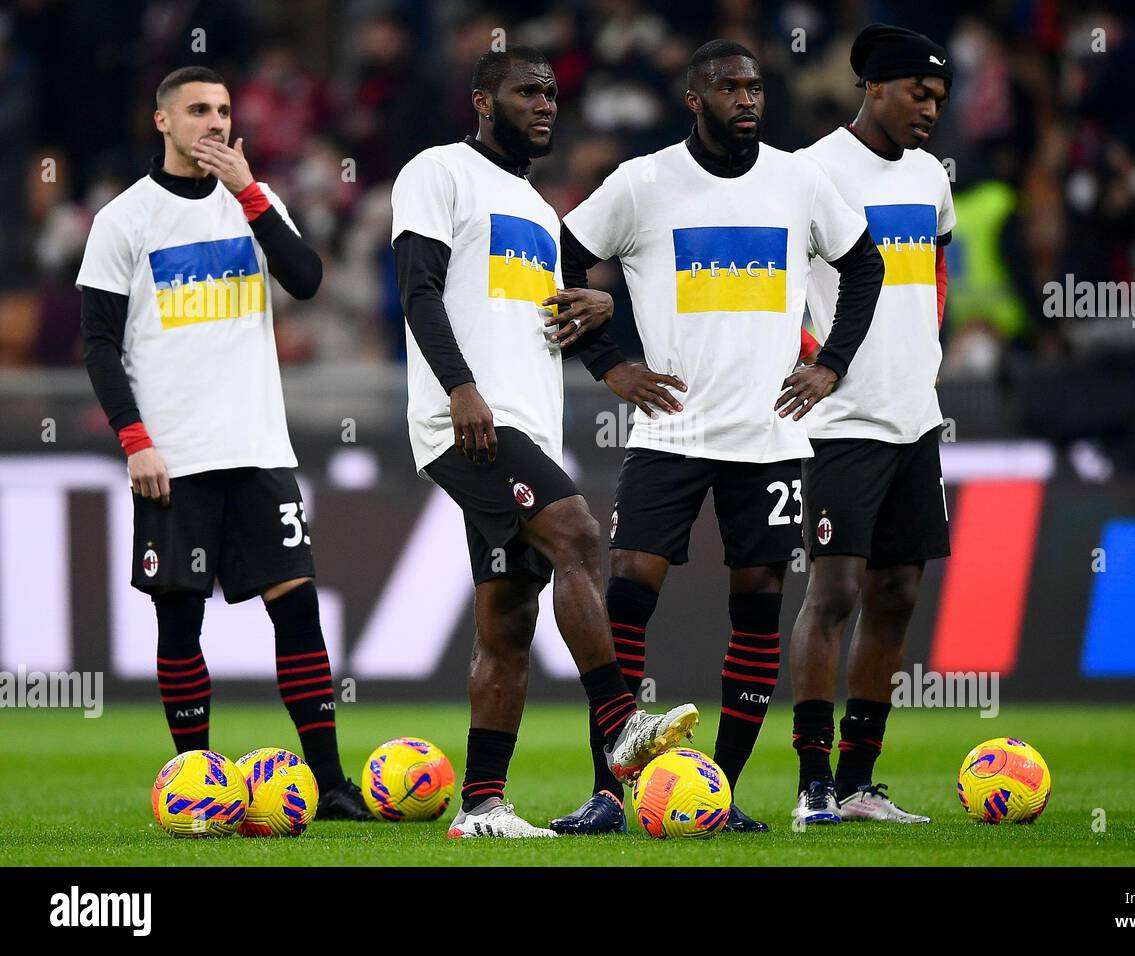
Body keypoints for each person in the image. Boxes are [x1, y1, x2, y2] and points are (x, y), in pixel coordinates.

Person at [551, 40, 885, 835]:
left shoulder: (798, 180)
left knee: (759, 610)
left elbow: (864, 264)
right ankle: (610, 788)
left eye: (756, 88)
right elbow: (560, 255)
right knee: (628, 596)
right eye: (729, 88)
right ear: (693, 99)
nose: (748, 100)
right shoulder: (642, 182)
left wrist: (831, 364)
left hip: (768, 438)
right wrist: (609, 364)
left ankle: (716, 792)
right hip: (669, 433)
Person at [390, 47, 699, 839]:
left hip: (524, 421)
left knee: (506, 620)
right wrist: (462, 389)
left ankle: (482, 805)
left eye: (552, 94)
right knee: (578, 532)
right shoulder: (437, 172)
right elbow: (418, 289)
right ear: (482, 103)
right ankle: (623, 720)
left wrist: (600, 320)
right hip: (467, 420)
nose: (545, 104)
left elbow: (560, 310)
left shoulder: (534, 208)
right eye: (527, 91)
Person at [76, 66, 369, 821]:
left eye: (224, 110)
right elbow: (100, 344)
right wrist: (135, 440)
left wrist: (249, 193)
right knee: (181, 620)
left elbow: (305, 278)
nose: (213, 122)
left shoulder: (255, 202)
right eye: (197, 110)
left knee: (297, 610)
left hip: (259, 449)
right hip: (173, 457)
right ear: (163, 122)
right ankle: (195, 784)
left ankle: (331, 785)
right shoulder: (124, 220)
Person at [788, 24, 955, 827]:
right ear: (875, 88)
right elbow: (779, 285)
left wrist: (926, 355)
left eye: (939, 99)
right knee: (835, 591)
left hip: (914, 416)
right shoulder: (812, 172)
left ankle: (858, 781)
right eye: (918, 94)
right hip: (841, 419)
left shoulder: (931, 178)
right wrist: (811, 358)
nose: (930, 110)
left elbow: (936, 271)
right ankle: (812, 781)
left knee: (898, 591)